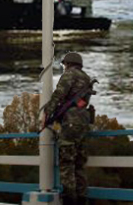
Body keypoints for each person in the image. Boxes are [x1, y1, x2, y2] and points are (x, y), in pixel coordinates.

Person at [43, 53, 95, 205]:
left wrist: (47, 113)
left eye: (64, 64)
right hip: (84, 122)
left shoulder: (69, 75)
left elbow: (59, 94)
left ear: (68, 64)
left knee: (67, 163)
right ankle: (82, 199)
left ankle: (69, 200)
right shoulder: (86, 78)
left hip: (70, 122)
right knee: (79, 163)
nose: (64, 67)